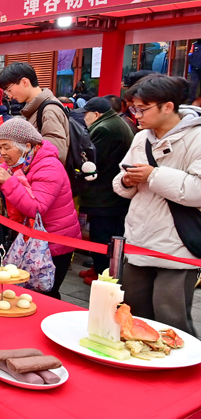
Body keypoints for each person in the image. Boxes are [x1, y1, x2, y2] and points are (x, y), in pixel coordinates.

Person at [113, 74, 201, 337]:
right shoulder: (142, 138)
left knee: (171, 320)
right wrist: (127, 181)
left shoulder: (196, 137)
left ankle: (185, 375)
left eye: (142, 108)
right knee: (133, 314)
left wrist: (152, 175)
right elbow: (121, 179)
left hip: (178, 243)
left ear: (168, 106)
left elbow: (197, 190)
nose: (136, 114)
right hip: (140, 238)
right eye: (133, 108)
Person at [0, 119, 81, 299]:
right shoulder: (17, 162)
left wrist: (8, 181)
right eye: (0, 146)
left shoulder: (49, 166)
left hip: (54, 241)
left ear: (27, 146)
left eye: (6, 147)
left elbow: (36, 208)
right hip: (30, 237)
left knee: (46, 292)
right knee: (23, 292)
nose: (2, 153)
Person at [78, 97, 135, 283]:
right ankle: (100, 269)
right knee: (108, 233)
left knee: (102, 235)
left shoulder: (104, 128)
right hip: (112, 193)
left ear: (96, 114)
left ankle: (104, 275)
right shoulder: (117, 122)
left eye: (85, 114)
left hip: (104, 194)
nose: (83, 118)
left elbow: (93, 161)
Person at [0, 62, 70, 164]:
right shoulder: (36, 109)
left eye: (9, 90)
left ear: (24, 82)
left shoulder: (49, 110)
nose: (9, 96)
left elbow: (55, 153)